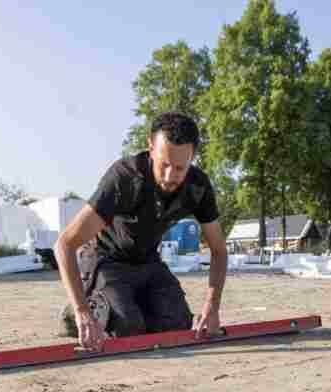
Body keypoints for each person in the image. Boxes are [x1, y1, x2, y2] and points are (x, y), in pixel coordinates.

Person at [53, 112, 229, 351]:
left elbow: (218, 249)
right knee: (128, 329)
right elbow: (64, 244)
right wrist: (81, 311)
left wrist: (212, 307)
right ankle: (81, 311)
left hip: (147, 260)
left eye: (180, 168)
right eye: (164, 164)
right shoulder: (124, 178)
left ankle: (129, 306)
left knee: (177, 325)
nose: (170, 176)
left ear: (193, 157)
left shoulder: (198, 186)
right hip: (106, 259)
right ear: (150, 147)